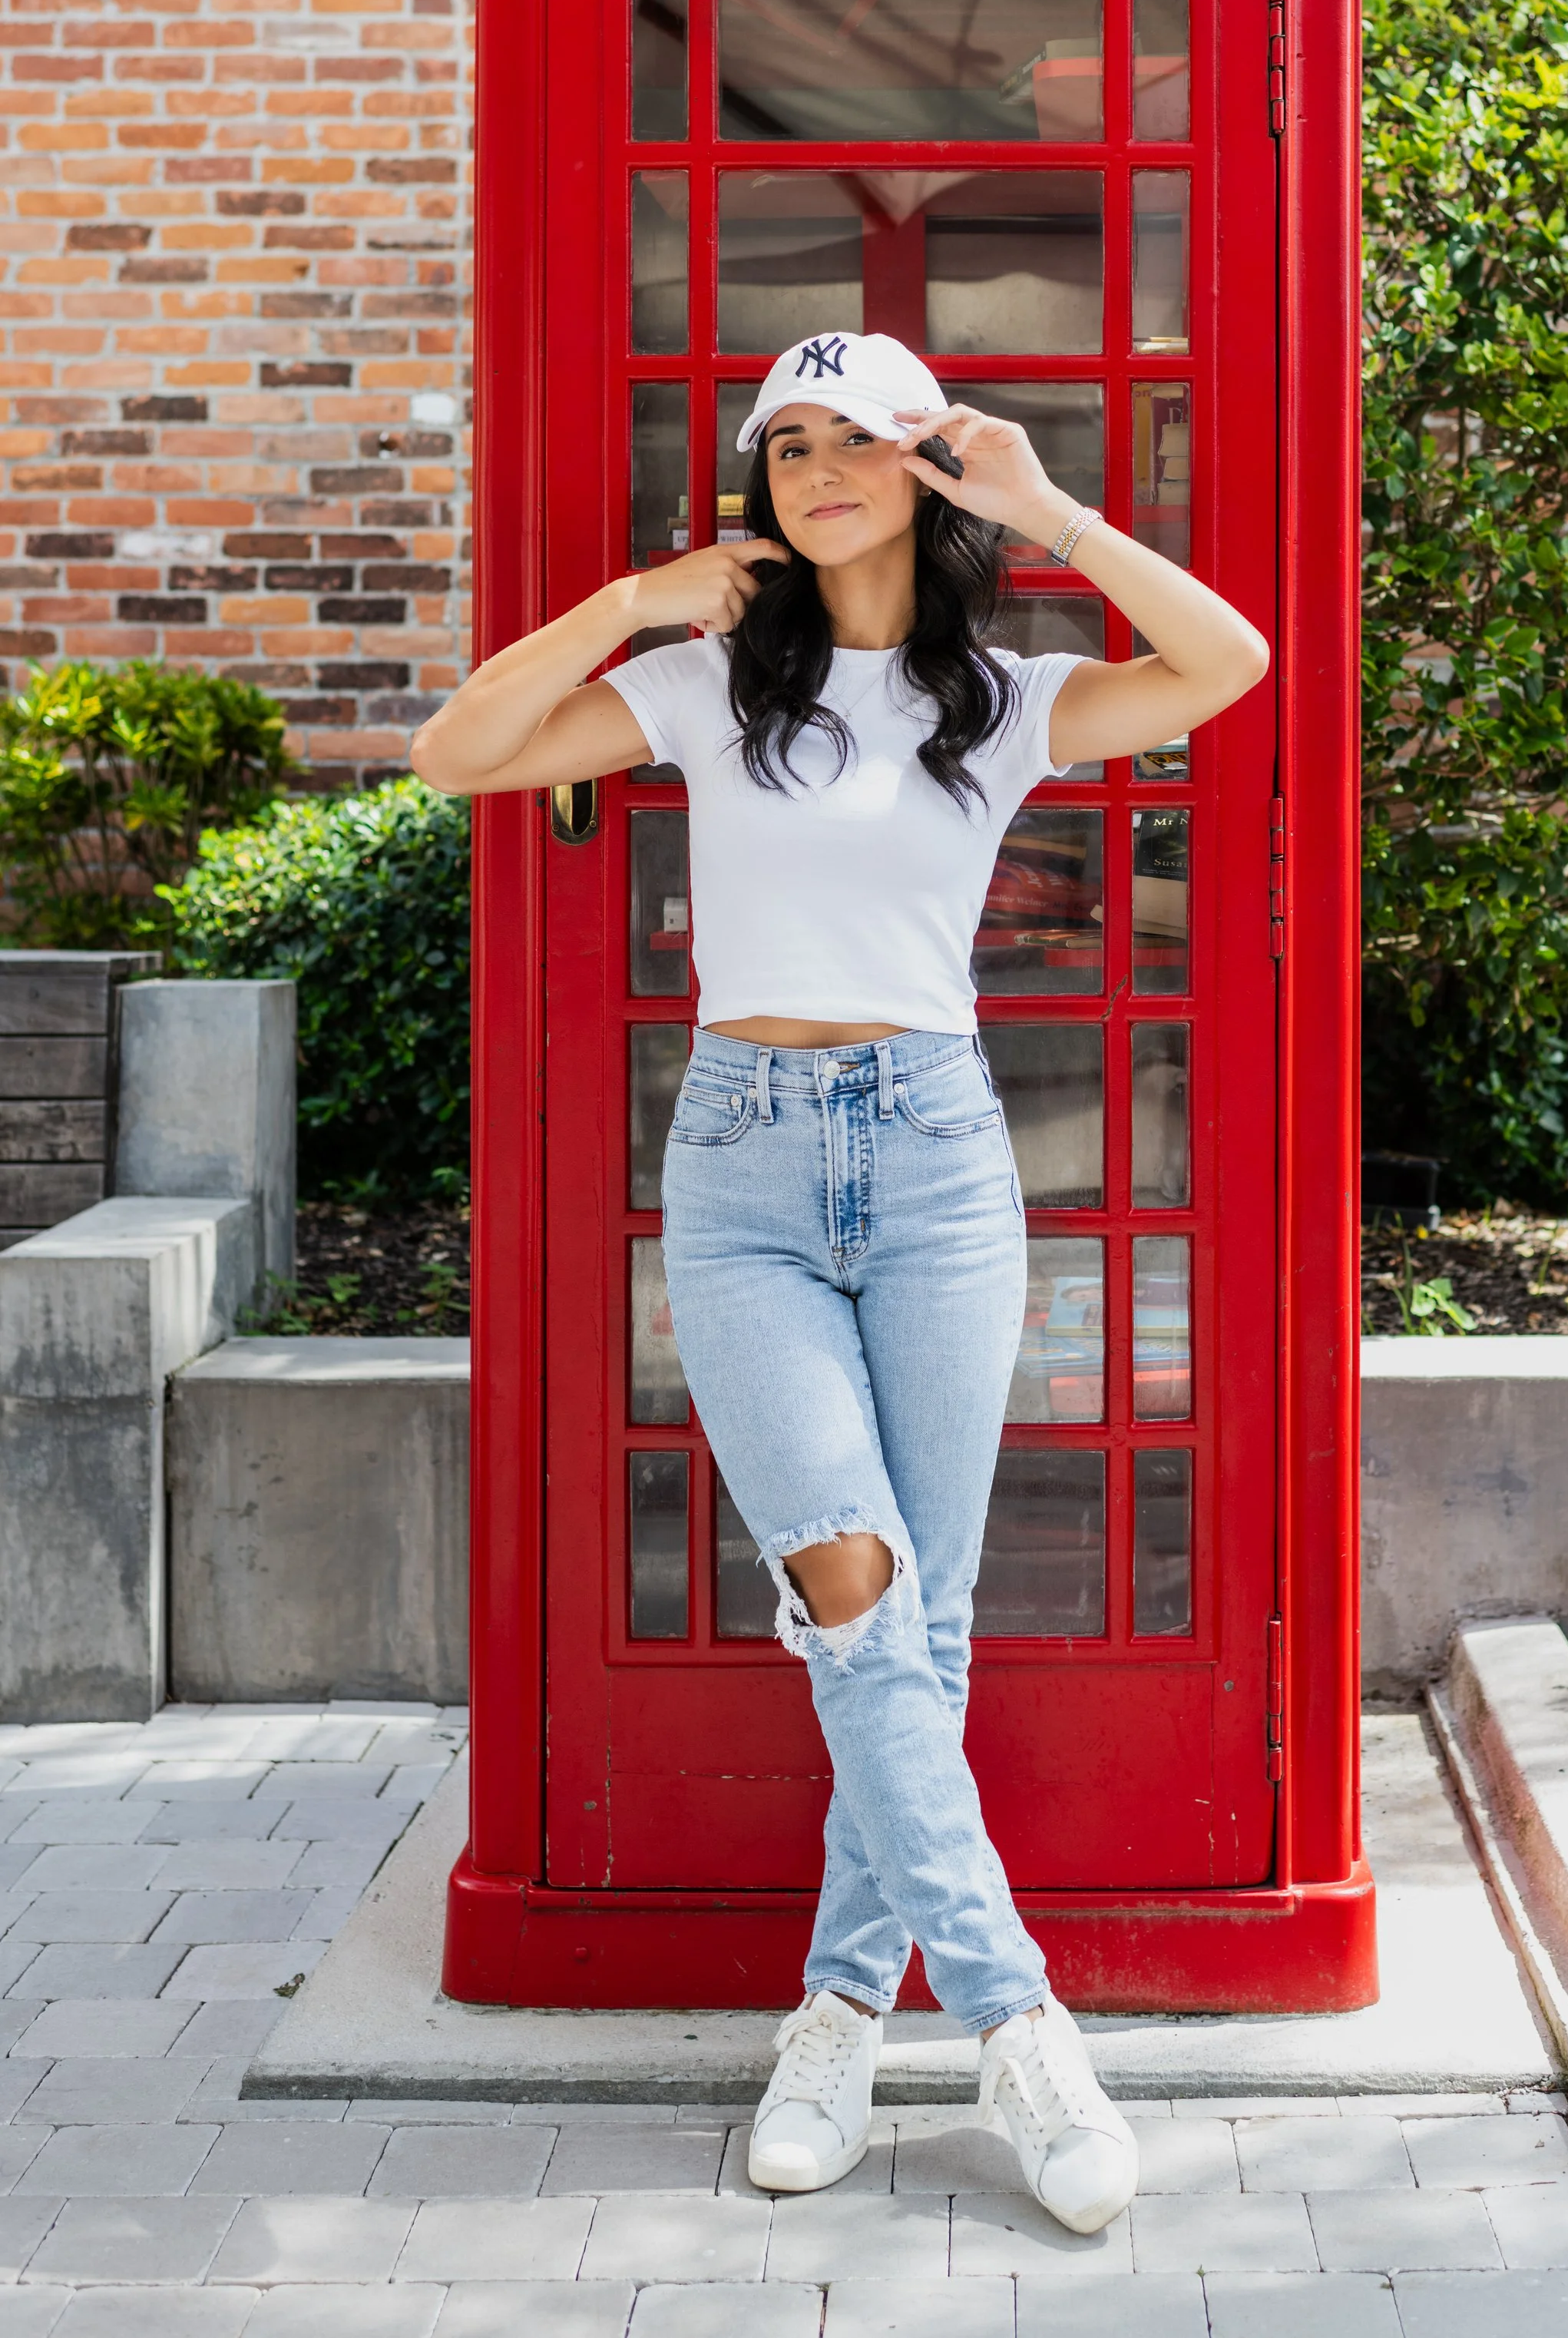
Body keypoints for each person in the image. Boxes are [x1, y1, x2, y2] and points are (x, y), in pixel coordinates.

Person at [412, 331, 1269, 2235]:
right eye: (780, 445)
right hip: (742, 1170)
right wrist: (631, 598)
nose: (811, 469)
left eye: (851, 439)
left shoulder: (1004, 695)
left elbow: (1228, 662)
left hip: (944, 1159)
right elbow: (455, 750)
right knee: (851, 1578)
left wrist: (1043, 507)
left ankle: (831, 2012)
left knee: (920, 1632)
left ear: (920, 467)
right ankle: (1017, 2021)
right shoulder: (713, 682)